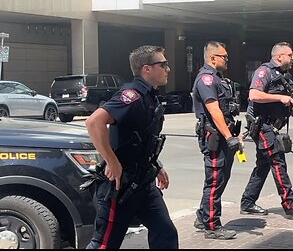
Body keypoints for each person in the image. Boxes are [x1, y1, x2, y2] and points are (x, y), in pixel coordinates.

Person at [85, 45, 178, 249]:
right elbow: (94, 122)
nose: (167, 69)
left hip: (144, 183)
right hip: (122, 186)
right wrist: (112, 161)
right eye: (163, 64)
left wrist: (157, 165)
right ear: (147, 69)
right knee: (105, 244)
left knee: (166, 233)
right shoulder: (131, 95)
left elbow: (142, 138)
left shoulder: (149, 96)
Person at [240, 41, 293, 218]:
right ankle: (289, 203)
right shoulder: (264, 71)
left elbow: (291, 101)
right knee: (277, 160)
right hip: (261, 124)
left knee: (264, 164)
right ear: (279, 56)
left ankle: (248, 202)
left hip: (272, 126)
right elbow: (254, 94)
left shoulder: (285, 76)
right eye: (290, 55)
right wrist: (279, 98)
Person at [192, 41, 242, 240]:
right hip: (215, 138)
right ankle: (212, 226)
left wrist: (234, 134)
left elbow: (228, 112)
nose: (227, 60)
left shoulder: (219, 79)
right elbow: (214, 111)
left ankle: (203, 216)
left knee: (221, 179)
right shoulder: (206, 79)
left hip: (224, 136)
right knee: (214, 181)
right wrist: (229, 137)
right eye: (224, 56)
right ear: (213, 58)